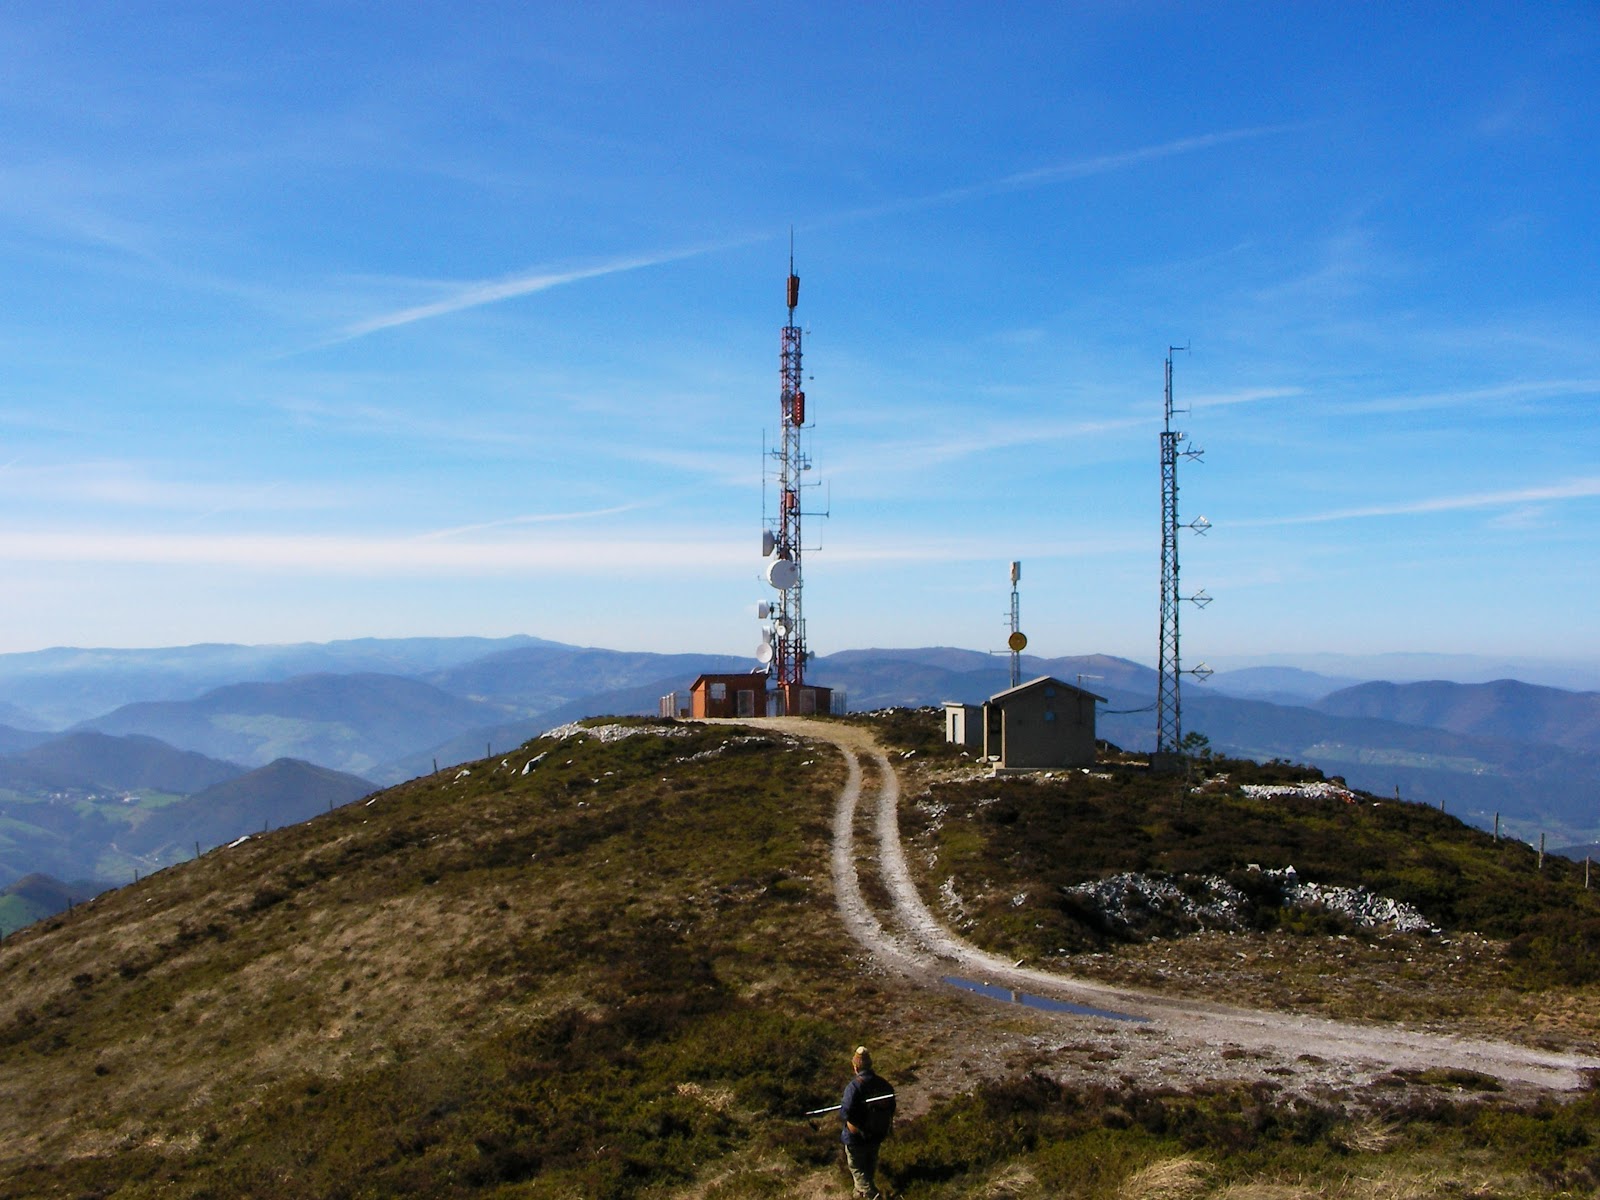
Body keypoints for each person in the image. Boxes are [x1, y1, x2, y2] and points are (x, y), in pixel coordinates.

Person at [839, 1045, 895, 1199]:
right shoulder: (884, 1085)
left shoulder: (854, 1087)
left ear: (855, 1066)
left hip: (856, 1137)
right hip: (877, 1134)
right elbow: (891, 1108)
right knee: (869, 1169)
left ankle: (871, 1195)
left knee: (857, 1169)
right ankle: (859, 1195)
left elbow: (845, 1112)